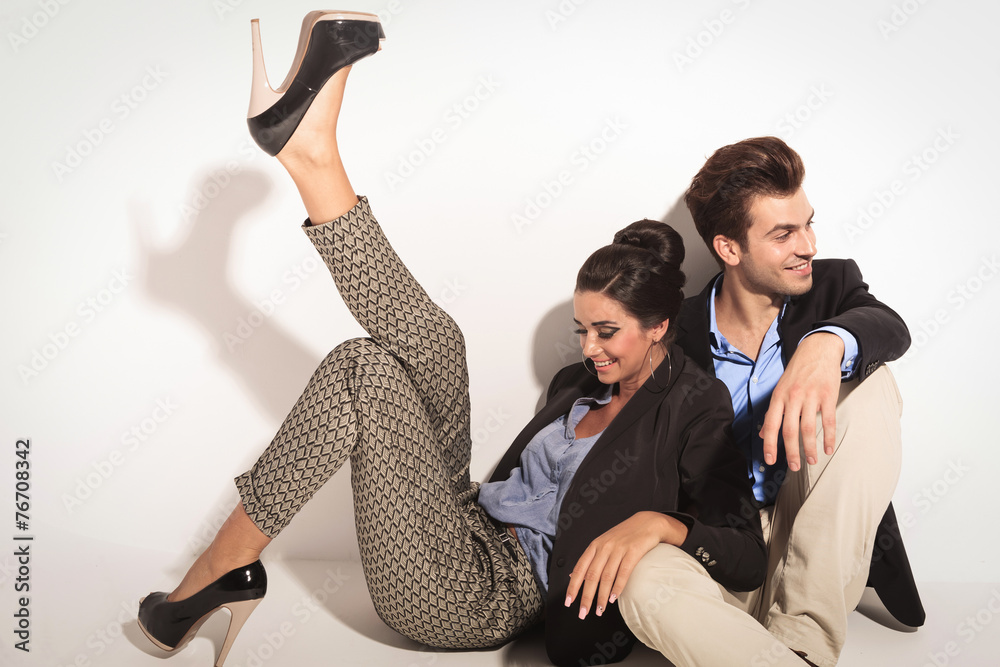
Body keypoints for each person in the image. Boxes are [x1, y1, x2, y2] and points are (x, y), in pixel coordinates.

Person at [136, 12, 766, 667]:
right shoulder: (578, 384)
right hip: (463, 519)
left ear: (660, 325)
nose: (590, 348)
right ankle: (312, 154)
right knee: (434, 344)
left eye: (608, 333)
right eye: (583, 329)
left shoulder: (697, 406)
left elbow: (745, 549)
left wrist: (661, 524)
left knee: (361, 368)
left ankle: (223, 562)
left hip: (478, 593)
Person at [618, 136, 924, 666]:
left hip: (812, 540)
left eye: (808, 224)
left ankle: (802, 641)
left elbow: (888, 328)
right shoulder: (674, 336)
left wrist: (825, 345)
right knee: (641, 578)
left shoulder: (832, 286)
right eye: (784, 234)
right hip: (723, 549)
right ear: (729, 248)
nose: (807, 245)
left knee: (873, 386)